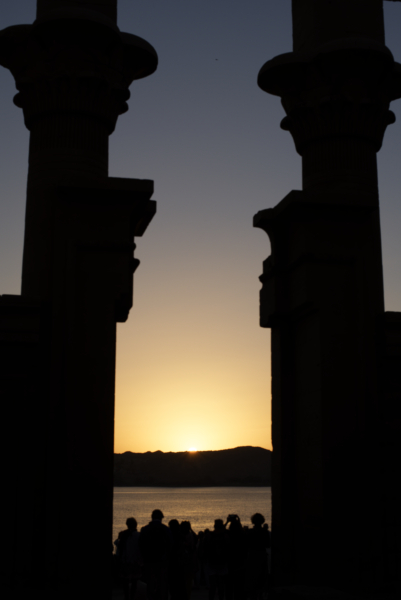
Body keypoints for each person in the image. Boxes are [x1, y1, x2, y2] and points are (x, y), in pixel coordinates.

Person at [139, 509, 172, 600]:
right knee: (162, 583)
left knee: (149, 582)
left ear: (152, 517)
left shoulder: (144, 529)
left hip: (148, 560)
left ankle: (150, 597)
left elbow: (141, 545)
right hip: (162, 560)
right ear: (161, 517)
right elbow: (170, 545)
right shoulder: (166, 529)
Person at [115, 517, 142, 600]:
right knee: (134, 582)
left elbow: (117, 544)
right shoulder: (138, 535)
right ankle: (132, 597)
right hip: (135, 562)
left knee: (125, 582)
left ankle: (127, 597)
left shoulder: (123, 535)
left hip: (125, 561)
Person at [247, 514, 270, 600]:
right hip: (261, 555)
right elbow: (268, 544)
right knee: (262, 577)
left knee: (252, 576)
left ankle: (253, 595)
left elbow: (247, 544)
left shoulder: (250, 532)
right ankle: (260, 594)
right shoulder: (265, 532)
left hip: (252, 555)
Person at [204, 519, 229, 600]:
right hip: (222, 563)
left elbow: (205, 548)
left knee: (212, 586)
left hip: (212, 562)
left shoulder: (209, 535)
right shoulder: (225, 535)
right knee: (221, 586)